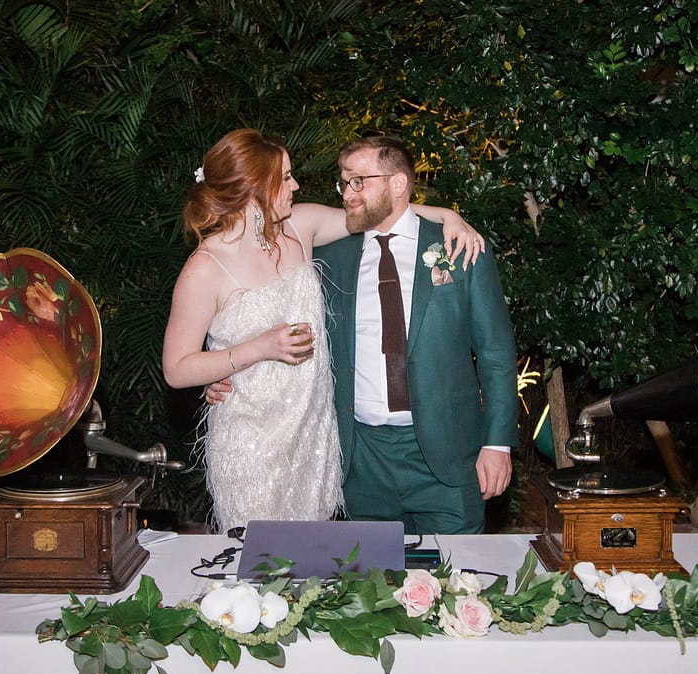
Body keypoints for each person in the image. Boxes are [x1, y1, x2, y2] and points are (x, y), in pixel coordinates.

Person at [162, 129, 484, 532]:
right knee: (261, 561)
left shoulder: (301, 226)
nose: (296, 184)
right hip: (250, 439)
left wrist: (447, 216)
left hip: (313, 436)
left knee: (313, 569)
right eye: (286, 177)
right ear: (255, 188)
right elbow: (177, 368)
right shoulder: (204, 268)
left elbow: (381, 212)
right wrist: (256, 349)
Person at [315, 135, 518, 534]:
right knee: (369, 591)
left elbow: (495, 352)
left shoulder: (460, 249)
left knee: (459, 586)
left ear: (397, 184)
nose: (347, 193)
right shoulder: (330, 258)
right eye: (344, 183)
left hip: (447, 457)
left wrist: (497, 444)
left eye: (359, 181)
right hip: (362, 460)